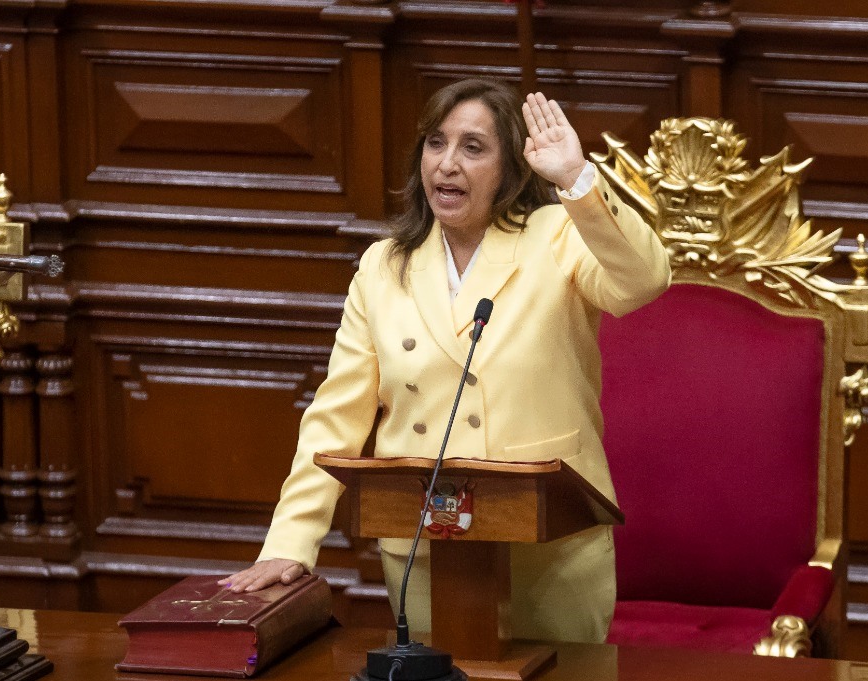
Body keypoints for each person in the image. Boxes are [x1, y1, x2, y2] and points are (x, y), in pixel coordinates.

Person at [221, 78, 671, 643]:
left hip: (551, 541)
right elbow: (336, 418)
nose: (447, 163)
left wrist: (576, 180)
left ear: (510, 168)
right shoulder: (384, 266)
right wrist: (291, 542)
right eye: (436, 143)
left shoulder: (558, 234)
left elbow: (644, 281)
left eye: (473, 147)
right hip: (427, 541)